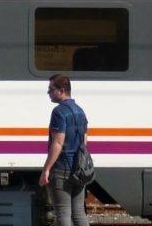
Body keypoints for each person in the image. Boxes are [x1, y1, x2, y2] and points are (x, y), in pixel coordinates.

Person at [39, 74, 91, 226]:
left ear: (61, 90)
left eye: (51, 89)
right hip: (79, 169)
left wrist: (46, 169)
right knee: (79, 213)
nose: (48, 93)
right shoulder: (80, 111)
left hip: (62, 168)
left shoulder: (59, 112)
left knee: (63, 214)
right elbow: (84, 142)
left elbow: (57, 144)